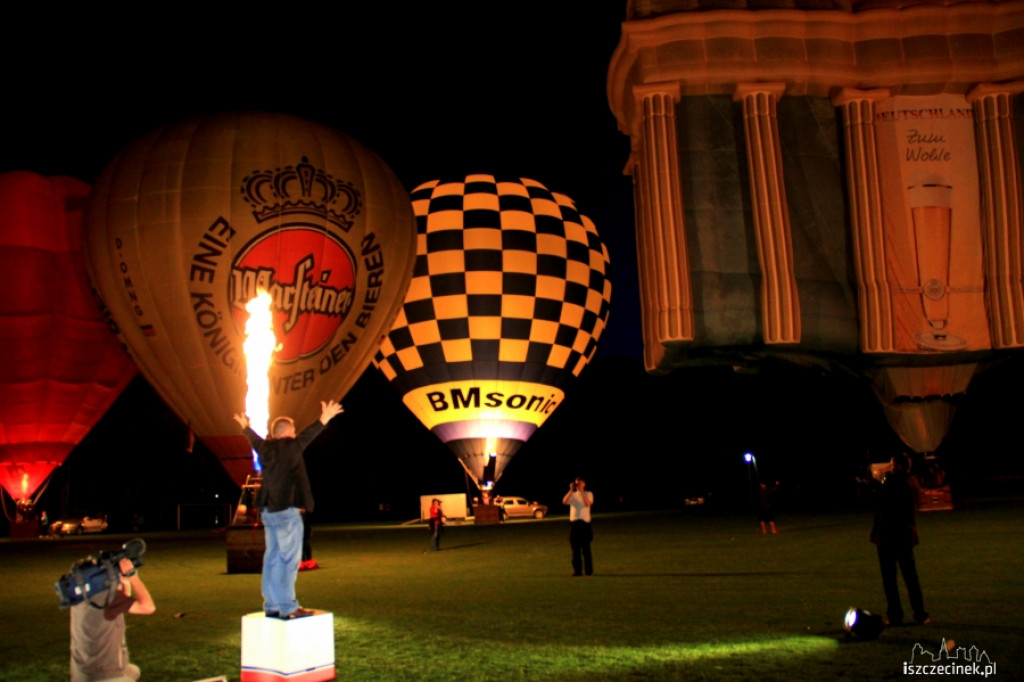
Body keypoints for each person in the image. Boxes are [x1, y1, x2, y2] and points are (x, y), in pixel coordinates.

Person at [233, 399, 343, 620]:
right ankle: (288, 606)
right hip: (287, 511)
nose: (295, 434)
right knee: (288, 560)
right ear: (288, 432)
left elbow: (255, 441)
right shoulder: (290, 446)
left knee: (272, 557)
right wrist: (325, 418)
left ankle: (272, 604)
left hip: (268, 511)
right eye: (293, 430)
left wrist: (245, 427)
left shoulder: (266, 448)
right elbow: (307, 436)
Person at [70, 557, 156, 681]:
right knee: (129, 673)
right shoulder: (106, 598)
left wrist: (125, 583)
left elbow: (117, 609)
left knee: (133, 671)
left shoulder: (78, 599)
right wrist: (132, 577)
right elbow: (148, 607)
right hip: (105, 676)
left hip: (81, 675)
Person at [871, 452, 929, 626]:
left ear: (901, 466)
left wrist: (875, 485)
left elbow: (884, 502)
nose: (890, 467)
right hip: (900, 535)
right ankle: (919, 614)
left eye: (893, 464)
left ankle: (898, 615)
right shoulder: (909, 482)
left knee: (893, 579)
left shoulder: (898, 483)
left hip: (892, 535)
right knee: (909, 577)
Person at [562, 477, 594, 576]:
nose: (578, 486)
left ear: (584, 484)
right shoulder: (573, 495)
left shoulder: (589, 493)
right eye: (576, 484)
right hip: (575, 524)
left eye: (579, 483)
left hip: (585, 524)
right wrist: (571, 490)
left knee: (586, 549)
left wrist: (582, 491)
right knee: (575, 550)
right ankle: (577, 571)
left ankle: (588, 571)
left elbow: (588, 503)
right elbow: (564, 501)